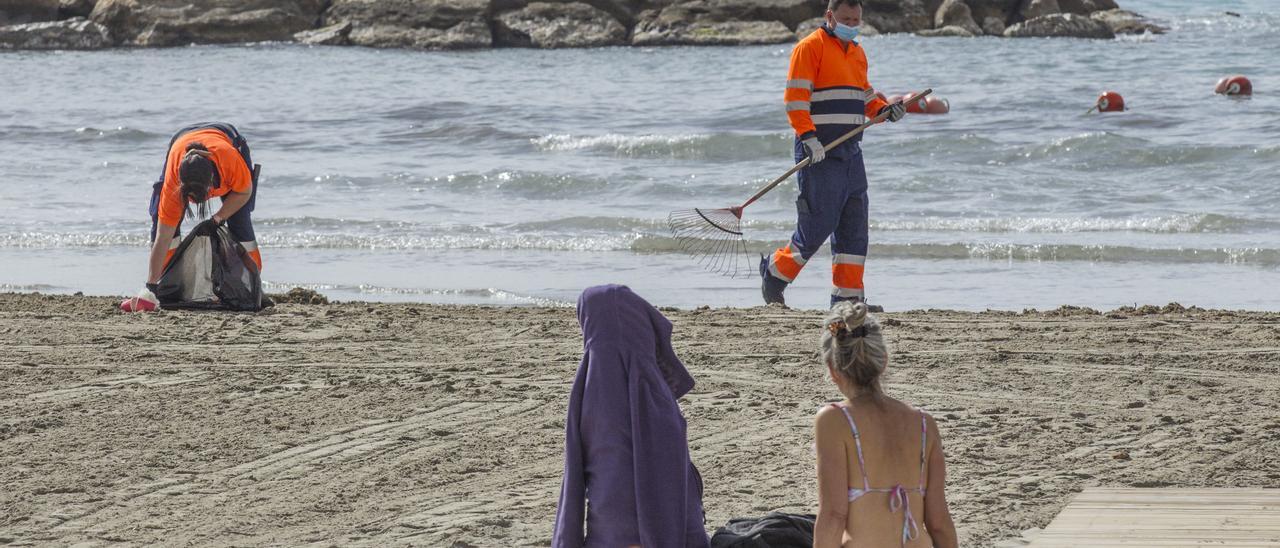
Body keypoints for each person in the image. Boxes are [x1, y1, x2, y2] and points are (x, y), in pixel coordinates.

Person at [762, 0, 904, 309]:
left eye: (856, 19)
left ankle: (848, 299)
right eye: (845, 18)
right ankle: (775, 273)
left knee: (854, 226)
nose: (852, 24)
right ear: (830, 16)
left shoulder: (857, 51)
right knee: (818, 224)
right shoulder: (809, 48)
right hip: (819, 151)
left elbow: (864, 95)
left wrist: (884, 110)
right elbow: (795, 100)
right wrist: (808, 137)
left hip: (851, 152)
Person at [553, 284, 709, 548]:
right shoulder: (656, 395)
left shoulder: (590, 387)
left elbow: (578, 478)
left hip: (614, 533)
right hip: (667, 530)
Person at [812, 302, 957, 548]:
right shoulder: (924, 424)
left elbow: (834, 516)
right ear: (884, 361)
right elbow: (939, 521)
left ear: (832, 370)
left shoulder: (834, 420)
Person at [140, 122, 260, 303]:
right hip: (180, 141)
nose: (197, 202)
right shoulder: (174, 184)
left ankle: (249, 284)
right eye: (190, 196)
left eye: (201, 196)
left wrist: (217, 219)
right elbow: (163, 237)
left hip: (225, 137)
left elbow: (244, 192)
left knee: (240, 220)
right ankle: (167, 285)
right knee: (161, 222)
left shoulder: (230, 161)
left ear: (212, 183)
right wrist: (150, 288)